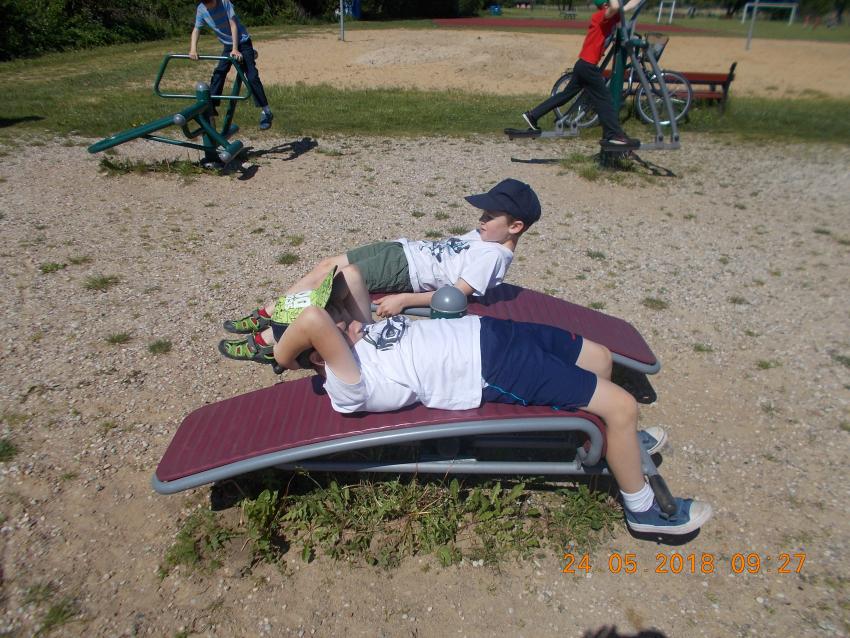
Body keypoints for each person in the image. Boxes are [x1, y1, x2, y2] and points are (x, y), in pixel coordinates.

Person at [269, 287, 713, 536]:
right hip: (491, 366)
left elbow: (347, 274)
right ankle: (643, 510)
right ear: (318, 353)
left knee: (598, 357)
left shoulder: (354, 340)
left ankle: (617, 444)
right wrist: (280, 355)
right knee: (623, 405)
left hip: (485, 331)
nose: (351, 319)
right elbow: (312, 320)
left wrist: (335, 306)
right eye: (339, 321)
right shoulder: (346, 383)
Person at [218, 178, 542, 361]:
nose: (481, 221)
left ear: (515, 227)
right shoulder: (489, 237)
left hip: (405, 270)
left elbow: (456, 295)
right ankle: (271, 312)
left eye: (489, 217)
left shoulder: (493, 256)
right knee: (325, 265)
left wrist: (404, 299)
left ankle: (269, 340)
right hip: (401, 250)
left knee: (326, 289)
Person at [520, 0, 641, 148]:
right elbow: (616, 6)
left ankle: (533, 115)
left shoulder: (610, 16)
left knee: (564, 96)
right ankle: (613, 135)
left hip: (583, 65)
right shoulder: (600, 16)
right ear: (605, 5)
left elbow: (627, 7)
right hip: (588, 66)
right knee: (604, 99)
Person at [189, 0, 273, 130]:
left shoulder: (224, 2)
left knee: (251, 76)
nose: (210, 6)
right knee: (219, 73)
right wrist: (193, 49)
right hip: (228, 46)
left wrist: (235, 49)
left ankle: (266, 111)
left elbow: (233, 25)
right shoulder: (201, 9)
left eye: (211, 2)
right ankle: (211, 106)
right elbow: (196, 29)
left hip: (242, 42)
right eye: (207, 4)